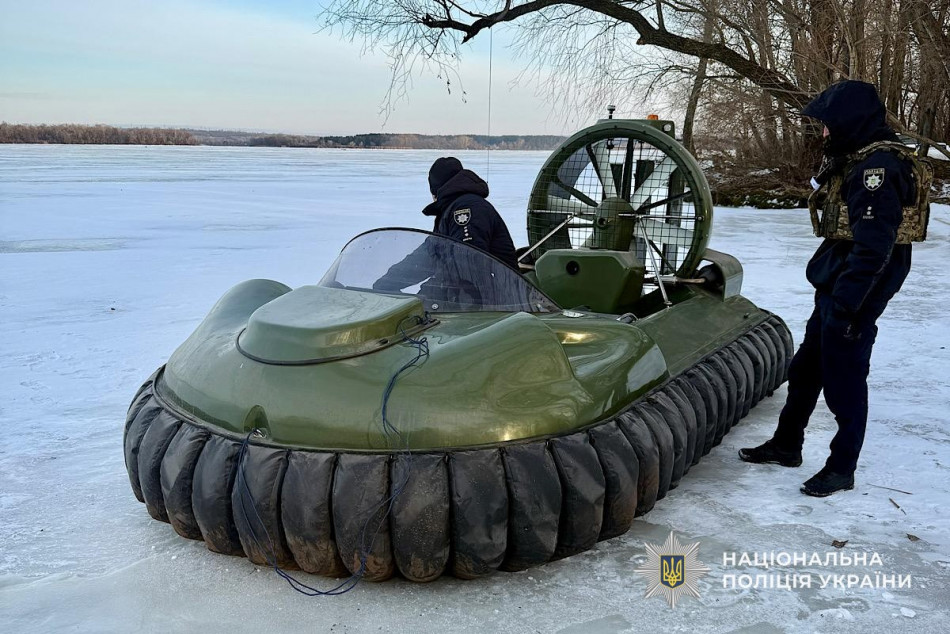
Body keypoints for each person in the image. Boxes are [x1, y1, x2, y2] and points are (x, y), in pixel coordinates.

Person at [739, 80, 921, 497]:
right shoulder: (856, 158)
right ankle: (787, 445)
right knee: (806, 369)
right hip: (838, 283)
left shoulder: (878, 169)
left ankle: (842, 468)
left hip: (856, 291)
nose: (822, 132)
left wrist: (847, 304)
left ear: (847, 120)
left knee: (845, 379)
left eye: (827, 123)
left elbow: (874, 248)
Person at [424, 157, 518, 268]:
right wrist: (405, 270)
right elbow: (429, 252)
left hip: (496, 279)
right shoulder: (449, 210)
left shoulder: (466, 209)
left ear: (436, 191)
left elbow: (469, 263)